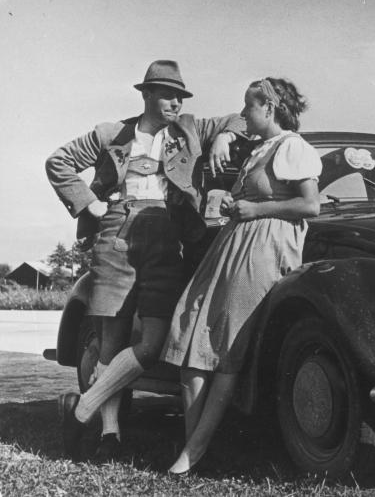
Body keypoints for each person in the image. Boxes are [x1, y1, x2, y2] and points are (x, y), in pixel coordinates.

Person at [47, 60, 246, 461]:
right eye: (168, 94)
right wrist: (92, 204)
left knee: (152, 342)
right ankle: (110, 435)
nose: (176, 102)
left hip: (167, 231)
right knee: (111, 339)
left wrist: (224, 135)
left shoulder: (191, 128)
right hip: (115, 230)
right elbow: (58, 162)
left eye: (180, 96)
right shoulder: (111, 133)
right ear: (147, 95)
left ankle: (81, 409)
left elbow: (242, 119)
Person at [160, 77, 322, 475]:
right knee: (192, 333)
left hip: (265, 249)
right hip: (235, 245)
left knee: (227, 345)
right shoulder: (260, 148)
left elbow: (311, 206)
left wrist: (256, 210)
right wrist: (234, 204)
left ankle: (194, 451)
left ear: (268, 107)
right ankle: (194, 444)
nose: (244, 113)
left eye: (249, 107)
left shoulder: (293, 147)